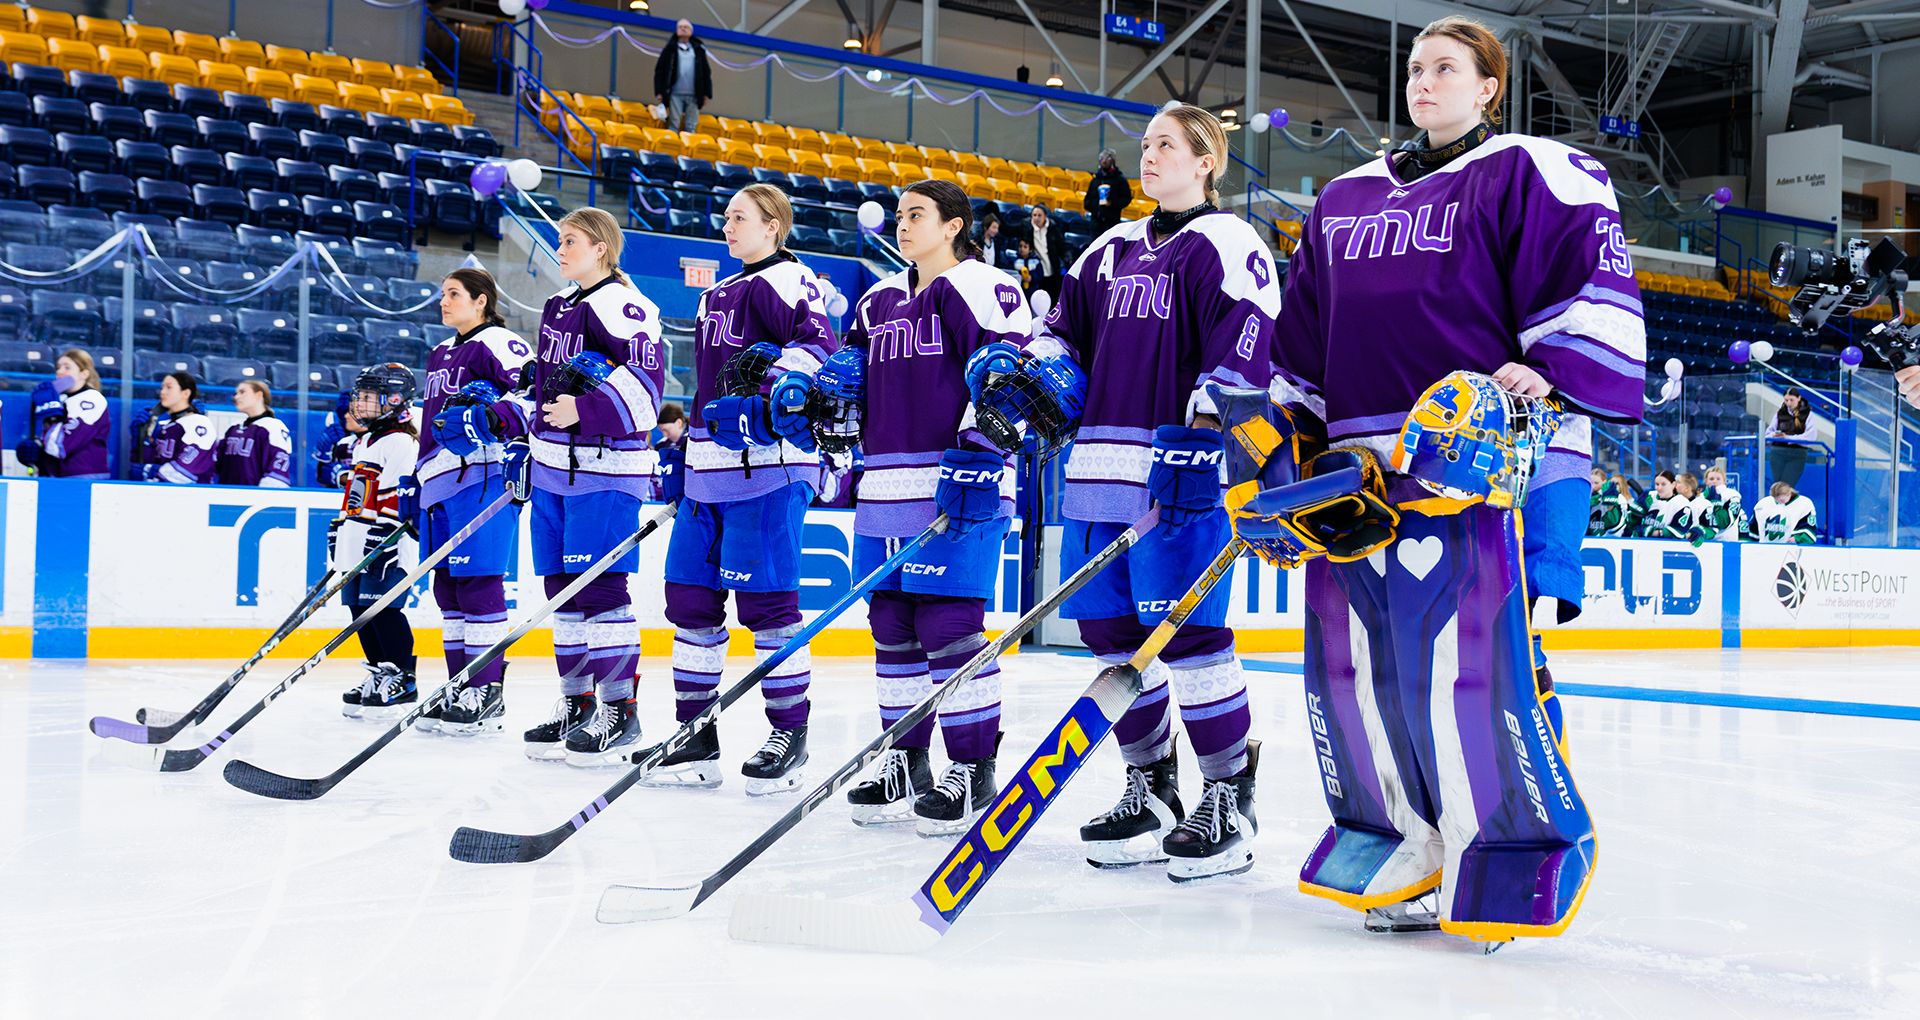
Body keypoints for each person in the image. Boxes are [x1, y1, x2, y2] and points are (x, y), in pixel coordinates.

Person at [1271, 16, 1642, 942]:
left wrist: (1549, 368)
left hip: (1476, 467)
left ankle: (1504, 851)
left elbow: (1586, 284)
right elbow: (1304, 345)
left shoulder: (1531, 169)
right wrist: (1284, 445)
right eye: (1414, 68)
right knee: (1367, 677)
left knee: (1475, 672)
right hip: (1360, 479)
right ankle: (1408, 850)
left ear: (1489, 88)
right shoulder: (1347, 197)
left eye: (1446, 68)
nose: (1423, 82)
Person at [978, 103, 1278, 882]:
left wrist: (1209, 424)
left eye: (1167, 145)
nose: (1149, 157)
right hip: (1095, 476)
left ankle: (1229, 797)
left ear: (1205, 160)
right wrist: (1030, 365)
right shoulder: (1107, 248)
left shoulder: (1227, 242)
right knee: (1111, 639)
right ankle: (1150, 785)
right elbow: (1060, 329)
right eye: (1145, 145)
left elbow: (1249, 343)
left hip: (1179, 478)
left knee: (1188, 638)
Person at [832, 179, 1030, 833]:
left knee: (949, 627)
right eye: (900, 215)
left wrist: (981, 448)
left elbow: (1010, 374)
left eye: (918, 214)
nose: (903, 224)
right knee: (891, 629)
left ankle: (973, 766)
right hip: (885, 485)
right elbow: (849, 380)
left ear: (954, 226)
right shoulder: (875, 301)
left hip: (960, 481)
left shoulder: (986, 285)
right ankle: (905, 760)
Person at [642, 182, 835, 795]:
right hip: (706, 472)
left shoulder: (793, 281)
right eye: (725, 216)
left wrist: (771, 387)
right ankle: (693, 737)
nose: (727, 226)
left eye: (740, 217)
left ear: (774, 226)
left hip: (769, 470)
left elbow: (818, 349)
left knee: (769, 609)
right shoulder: (715, 294)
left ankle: (789, 734)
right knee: (691, 603)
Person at [504, 207, 665, 766]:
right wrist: (527, 430)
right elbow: (548, 389)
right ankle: (577, 704)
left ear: (601, 247)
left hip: (603, 469)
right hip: (552, 468)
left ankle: (620, 711)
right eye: (559, 239)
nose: (561, 249)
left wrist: (587, 408)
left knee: (598, 592)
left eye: (570, 240)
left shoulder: (624, 304)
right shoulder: (558, 306)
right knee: (561, 592)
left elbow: (647, 385)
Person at [417, 268, 534, 735]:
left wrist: (511, 439)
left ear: (482, 301)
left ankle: (486, 690)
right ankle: (460, 684)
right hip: (438, 478)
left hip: (481, 474)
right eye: (443, 294)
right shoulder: (440, 352)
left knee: (477, 582)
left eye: (454, 294)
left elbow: (530, 394)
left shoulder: (500, 343)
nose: (444, 301)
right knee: (446, 587)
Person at [335, 364, 423, 720]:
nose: (362, 403)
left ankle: (402, 676)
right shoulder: (365, 441)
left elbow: (395, 499)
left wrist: (383, 539)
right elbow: (359, 494)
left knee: (384, 610)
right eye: (363, 396)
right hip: (358, 539)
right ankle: (378, 672)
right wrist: (340, 527)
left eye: (371, 397)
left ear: (396, 400)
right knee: (358, 611)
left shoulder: (402, 442)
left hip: (386, 543)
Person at [17, 349, 110, 478]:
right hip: (57, 477)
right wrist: (35, 452)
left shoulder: (91, 399)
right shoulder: (60, 400)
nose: (60, 372)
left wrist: (51, 412)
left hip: (82, 477)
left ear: (84, 374)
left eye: (67, 367)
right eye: (59, 367)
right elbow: (50, 444)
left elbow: (62, 445)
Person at [131, 371, 216, 484]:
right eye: (162, 388)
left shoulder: (199, 423)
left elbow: (184, 474)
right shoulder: (162, 426)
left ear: (186, 393)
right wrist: (141, 438)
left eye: (169, 387)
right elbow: (140, 466)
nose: (162, 392)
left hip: (191, 497)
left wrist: (149, 470)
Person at [214, 380, 292, 487]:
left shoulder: (273, 427)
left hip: (254, 499)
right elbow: (215, 464)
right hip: (225, 496)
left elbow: (277, 472)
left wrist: (261, 498)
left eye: (242, 392)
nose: (236, 397)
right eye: (236, 394)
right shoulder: (232, 428)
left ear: (259, 395)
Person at [652, 19, 711, 133]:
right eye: (680, 27)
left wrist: (706, 94)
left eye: (686, 27)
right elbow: (660, 71)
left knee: (691, 125)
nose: (683, 29)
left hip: (694, 94)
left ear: (691, 31)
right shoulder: (669, 50)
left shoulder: (699, 51)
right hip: (674, 93)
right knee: (674, 123)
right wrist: (659, 91)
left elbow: (706, 73)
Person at [1765, 387, 1816, 487]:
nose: (1788, 403)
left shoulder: (1808, 414)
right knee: (1778, 486)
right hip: (1777, 454)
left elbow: (1810, 437)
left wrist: (1789, 438)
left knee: (1786, 486)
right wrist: (1774, 436)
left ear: (1799, 398)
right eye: (1786, 400)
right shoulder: (1779, 413)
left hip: (1797, 455)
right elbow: (1768, 434)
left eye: (1791, 400)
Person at [313, 390, 363, 487]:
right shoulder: (333, 434)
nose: (346, 416)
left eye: (353, 412)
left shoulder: (380, 438)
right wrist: (342, 475)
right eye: (345, 411)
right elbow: (321, 472)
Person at [1083, 148, 1133, 236]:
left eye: (1107, 159)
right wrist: (1095, 206)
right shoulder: (1095, 180)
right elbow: (1087, 201)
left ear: (1113, 161)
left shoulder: (1119, 179)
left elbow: (1126, 198)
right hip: (1096, 222)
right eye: (1102, 159)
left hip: (1112, 223)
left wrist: (1112, 204)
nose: (1104, 161)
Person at [1750, 480, 1818, 543]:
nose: (1779, 503)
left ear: (1789, 494)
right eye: (1776, 499)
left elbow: (1810, 530)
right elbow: (1753, 531)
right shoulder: (1763, 504)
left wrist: (1797, 538)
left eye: (1781, 500)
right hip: (1763, 550)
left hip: (1790, 551)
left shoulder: (1804, 504)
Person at [1026, 205, 1067, 298]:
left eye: (1039, 215)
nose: (1036, 218)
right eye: (1034, 215)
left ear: (1045, 216)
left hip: (1052, 271)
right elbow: (1009, 230)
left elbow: (1062, 247)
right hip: (1037, 273)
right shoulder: (1027, 227)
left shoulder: (1053, 228)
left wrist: (1067, 258)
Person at [651, 401, 686, 503]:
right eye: (662, 431)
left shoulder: (691, 440)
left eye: (666, 430)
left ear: (679, 423)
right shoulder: (661, 445)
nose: (665, 434)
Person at [1701, 464, 1745, 541]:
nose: (1715, 481)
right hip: (1705, 542)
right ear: (1706, 481)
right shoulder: (1701, 497)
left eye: (1718, 479)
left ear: (1724, 480)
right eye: (1711, 479)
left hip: (1727, 541)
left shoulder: (1733, 495)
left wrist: (1715, 504)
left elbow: (1726, 523)